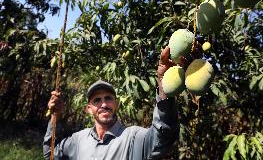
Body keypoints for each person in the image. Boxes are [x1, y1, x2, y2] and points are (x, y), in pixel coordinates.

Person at [43, 46, 180, 160]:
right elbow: (50, 154)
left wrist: (164, 86)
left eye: (108, 98)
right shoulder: (78, 140)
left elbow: (163, 138)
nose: (103, 104)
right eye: (97, 100)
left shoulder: (133, 137)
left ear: (116, 104)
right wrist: (55, 116)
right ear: (89, 109)